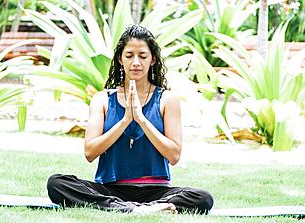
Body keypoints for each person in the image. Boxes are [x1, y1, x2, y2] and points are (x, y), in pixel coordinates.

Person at [47, 24, 213, 214]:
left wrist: (142, 119)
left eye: (143, 56)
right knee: (57, 183)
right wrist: (125, 120)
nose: (136, 62)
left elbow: (174, 156)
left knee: (203, 197)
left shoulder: (167, 100)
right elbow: (90, 152)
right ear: (120, 59)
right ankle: (133, 209)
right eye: (129, 56)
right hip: (111, 189)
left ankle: (142, 207)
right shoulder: (102, 100)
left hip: (156, 192)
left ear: (153, 60)